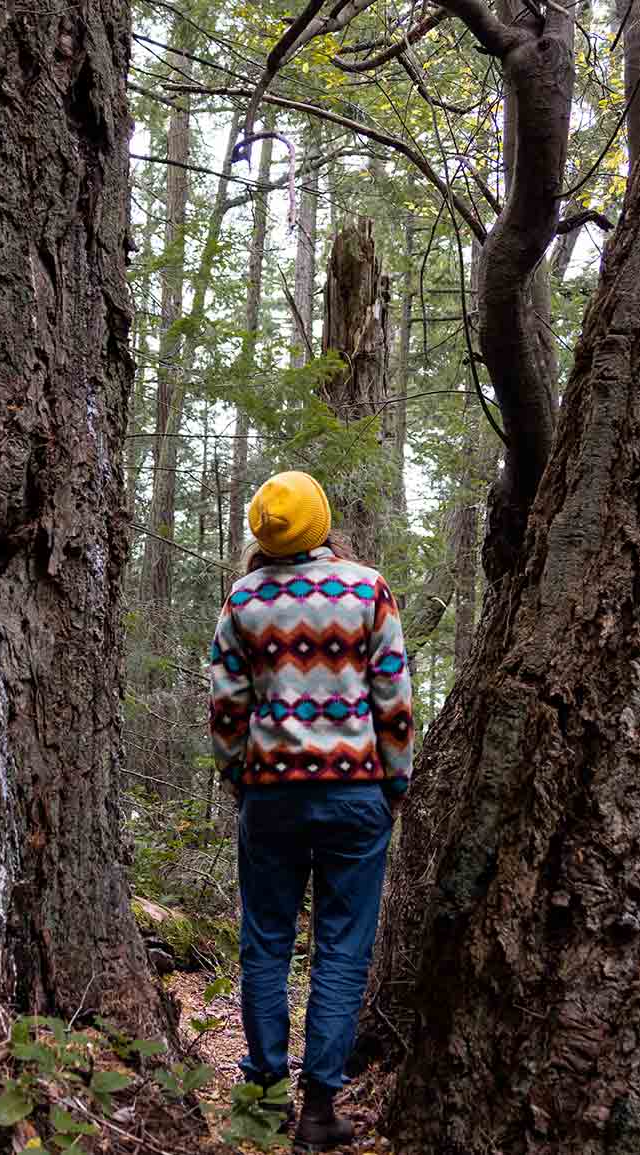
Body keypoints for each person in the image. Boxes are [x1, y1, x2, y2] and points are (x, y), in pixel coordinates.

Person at [207, 470, 414, 1150]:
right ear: (322, 524)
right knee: (342, 948)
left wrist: (238, 778)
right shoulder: (366, 589)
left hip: (271, 797)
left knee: (266, 942)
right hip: (356, 795)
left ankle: (265, 1096)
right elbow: (393, 698)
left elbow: (227, 710)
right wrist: (395, 783)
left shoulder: (243, 600)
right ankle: (320, 1110)